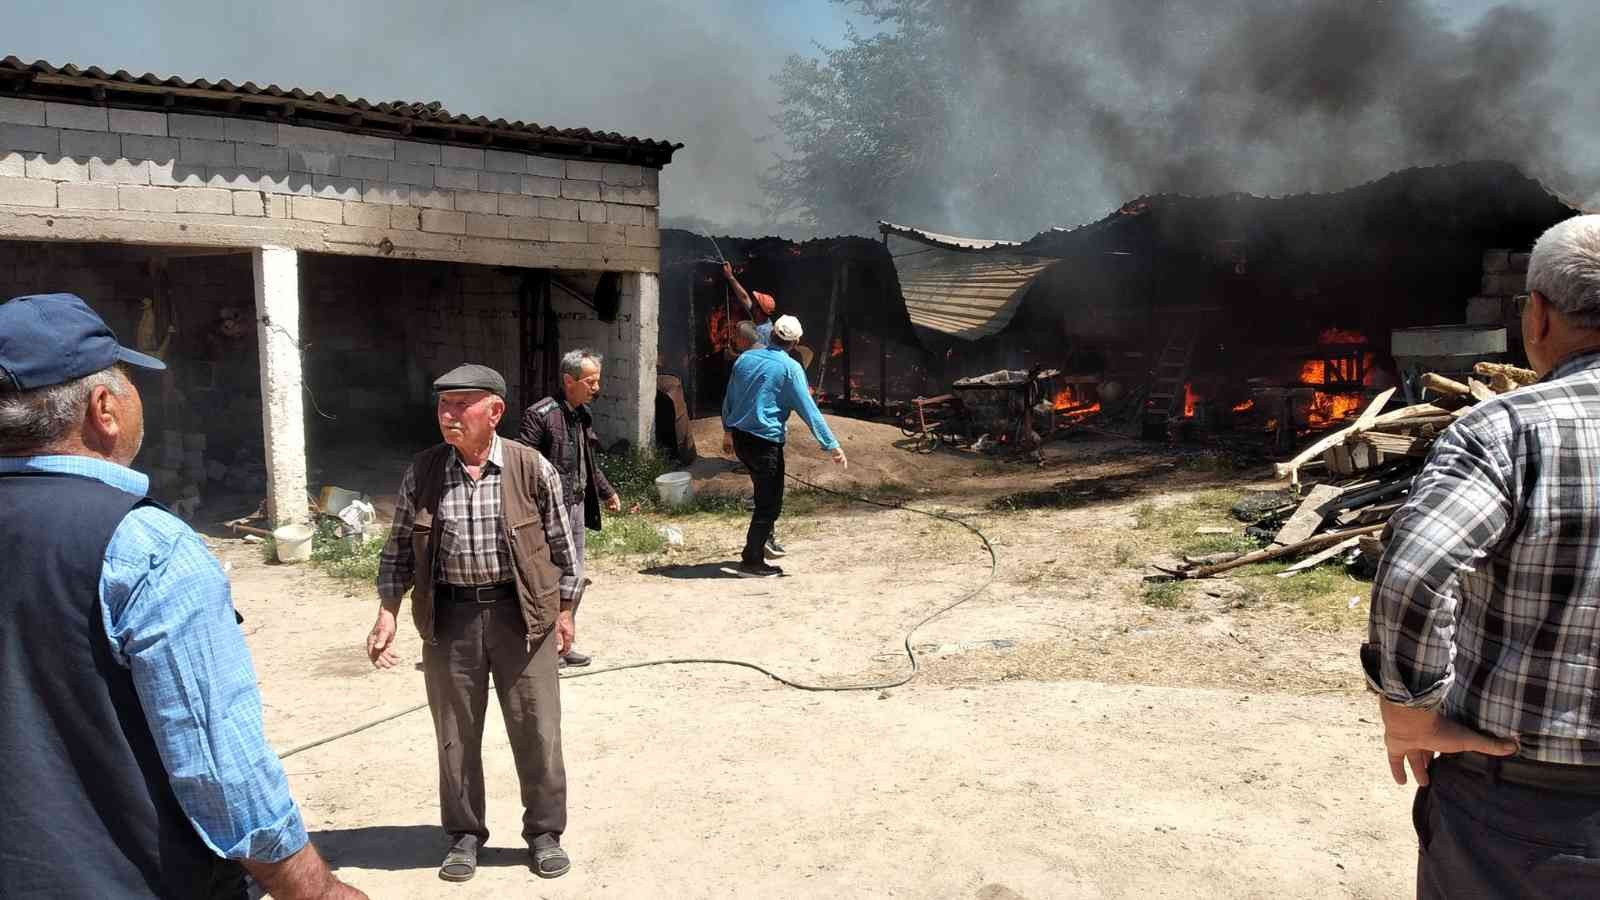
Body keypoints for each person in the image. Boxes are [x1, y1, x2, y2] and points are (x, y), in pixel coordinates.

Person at [0, 293, 364, 900]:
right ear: (104, 408)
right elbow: (220, 769)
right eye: (128, 380)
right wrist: (316, 890)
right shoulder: (142, 545)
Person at [1365, 214, 1600, 897]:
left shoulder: (1504, 431)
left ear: (1539, 317)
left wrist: (1407, 711)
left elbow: (1412, 576)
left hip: (1521, 818)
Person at [366, 363, 581, 883]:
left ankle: (544, 833)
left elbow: (565, 551)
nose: (449, 415)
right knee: (455, 734)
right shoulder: (424, 471)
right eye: (444, 405)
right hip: (451, 619)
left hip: (522, 618)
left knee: (536, 729)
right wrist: (387, 611)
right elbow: (398, 548)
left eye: (462, 404)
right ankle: (463, 835)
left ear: (495, 412)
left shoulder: (532, 469)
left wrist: (566, 612)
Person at [517, 348, 622, 668]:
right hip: (549, 512)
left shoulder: (581, 415)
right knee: (551, 580)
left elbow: (588, 462)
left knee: (573, 578)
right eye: (590, 381)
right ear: (568, 381)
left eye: (597, 381)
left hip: (576, 507)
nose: (596, 388)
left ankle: (564, 642)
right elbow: (523, 466)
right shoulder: (540, 415)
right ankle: (546, 647)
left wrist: (606, 492)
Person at [721, 314, 847, 577]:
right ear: (796, 341)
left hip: (742, 439)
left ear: (772, 335)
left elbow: (729, 398)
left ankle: (762, 539)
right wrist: (832, 445)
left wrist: (727, 431)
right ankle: (752, 561)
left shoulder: (745, 358)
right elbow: (808, 409)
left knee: (763, 495)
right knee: (770, 504)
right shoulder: (790, 369)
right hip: (765, 443)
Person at [721, 262, 776, 346]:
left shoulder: (764, 334)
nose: (752, 301)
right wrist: (730, 276)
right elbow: (744, 297)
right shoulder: (761, 318)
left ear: (758, 311)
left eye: (755, 302)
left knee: (743, 326)